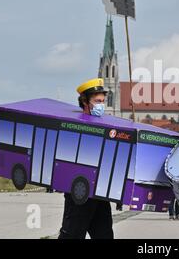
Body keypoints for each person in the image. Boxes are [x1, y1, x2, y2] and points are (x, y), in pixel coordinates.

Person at [58, 78, 114, 239]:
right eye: (97, 101)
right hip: (79, 193)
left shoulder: (106, 126)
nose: (101, 105)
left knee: (104, 236)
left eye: (103, 101)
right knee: (72, 235)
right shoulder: (74, 126)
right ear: (85, 102)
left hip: (101, 193)